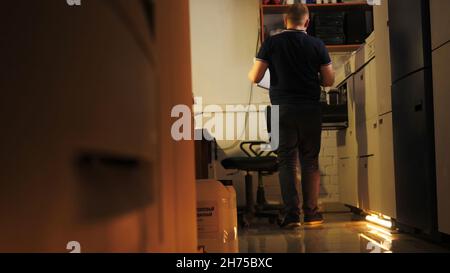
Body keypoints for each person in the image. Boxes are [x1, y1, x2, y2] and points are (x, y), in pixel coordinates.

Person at [248, 3, 335, 228]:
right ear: (307, 22)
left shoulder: (272, 43)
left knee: (286, 161)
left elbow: (255, 77)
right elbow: (328, 80)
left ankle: (292, 216)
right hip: (310, 109)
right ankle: (312, 214)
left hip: (282, 109)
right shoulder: (317, 44)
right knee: (310, 161)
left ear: (285, 21)